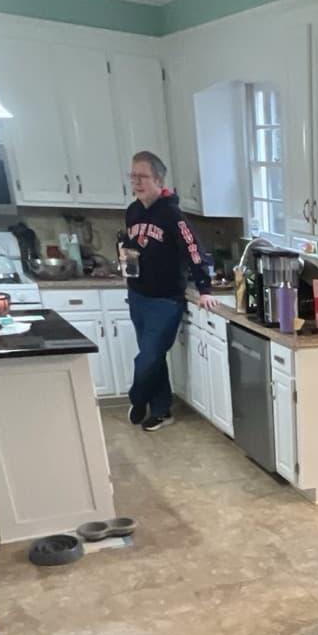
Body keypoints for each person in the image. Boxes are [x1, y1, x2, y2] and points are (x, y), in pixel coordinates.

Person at [118, 151, 216, 432]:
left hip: (165, 300)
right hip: (137, 294)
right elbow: (131, 244)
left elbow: (194, 250)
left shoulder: (173, 215)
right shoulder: (133, 211)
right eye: (133, 176)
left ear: (159, 180)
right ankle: (161, 411)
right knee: (154, 356)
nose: (136, 182)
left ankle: (138, 398)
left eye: (142, 176)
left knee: (147, 356)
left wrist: (204, 288)